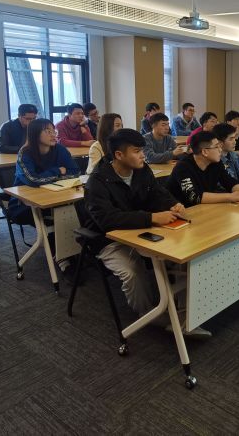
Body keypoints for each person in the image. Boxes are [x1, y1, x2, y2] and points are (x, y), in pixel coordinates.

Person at [84, 129, 211, 334]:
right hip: (109, 239)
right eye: (137, 151)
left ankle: (185, 312)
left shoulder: (141, 170)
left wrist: (172, 204)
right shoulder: (98, 181)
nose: (143, 155)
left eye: (142, 150)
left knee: (183, 253)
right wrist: (151, 218)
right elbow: (107, 220)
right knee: (132, 272)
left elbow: (157, 193)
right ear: (119, 155)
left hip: (142, 230)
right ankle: (150, 315)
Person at [8, 118, 81, 226]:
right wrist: (58, 171)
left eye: (54, 131)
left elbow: (75, 172)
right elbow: (33, 180)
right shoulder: (25, 153)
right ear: (35, 134)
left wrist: (48, 178)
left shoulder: (60, 149)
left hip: (56, 196)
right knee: (62, 215)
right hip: (24, 204)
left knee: (78, 208)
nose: (53, 135)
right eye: (48, 131)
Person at [167, 130, 239, 207]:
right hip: (180, 211)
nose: (220, 150)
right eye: (216, 147)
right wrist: (230, 196)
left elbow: (229, 181)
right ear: (205, 152)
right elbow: (195, 197)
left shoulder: (216, 162)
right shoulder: (182, 167)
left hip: (203, 208)